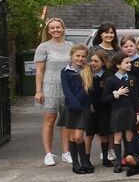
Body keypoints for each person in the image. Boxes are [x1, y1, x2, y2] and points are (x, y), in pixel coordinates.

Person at [34, 17, 75, 167]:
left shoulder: (71, 46)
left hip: (68, 88)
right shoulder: (43, 47)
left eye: (58, 27)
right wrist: (38, 91)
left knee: (66, 122)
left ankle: (66, 152)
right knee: (49, 120)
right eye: (52, 28)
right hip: (49, 87)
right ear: (48, 30)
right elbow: (39, 71)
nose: (56, 30)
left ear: (63, 28)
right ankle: (48, 154)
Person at [60, 44, 94, 174]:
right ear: (72, 56)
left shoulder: (87, 70)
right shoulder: (65, 71)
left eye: (83, 56)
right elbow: (66, 89)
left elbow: (86, 89)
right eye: (77, 56)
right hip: (70, 107)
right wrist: (73, 102)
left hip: (82, 107)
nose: (80, 58)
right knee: (72, 137)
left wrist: (77, 102)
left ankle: (85, 161)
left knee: (79, 136)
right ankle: (76, 164)